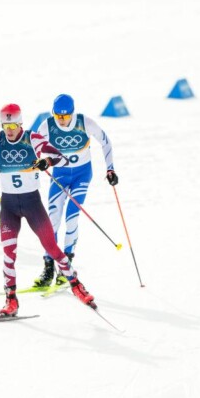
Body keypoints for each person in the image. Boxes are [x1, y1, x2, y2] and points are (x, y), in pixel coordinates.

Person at [0, 104, 97, 317]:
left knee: (52, 248)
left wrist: (46, 161)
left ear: (21, 123)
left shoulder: (32, 139)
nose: (10, 130)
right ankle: (11, 300)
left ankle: (76, 285)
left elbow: (62, 158)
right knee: (8, 254)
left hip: (33, 204)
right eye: (6, 125)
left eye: (13, 124)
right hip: (9, 207)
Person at [32, 94, 117, 287]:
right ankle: (48, 267)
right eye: (58, 116)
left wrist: (110, 169)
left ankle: (66, 264)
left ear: (72, 112)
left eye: (66, 116)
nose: (62, 120)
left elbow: (105, 142)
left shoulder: (84, 122)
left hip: (81, 175)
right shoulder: (46, 126)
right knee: (52, 220)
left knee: (71, 217)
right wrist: (39, 163)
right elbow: (34, 149)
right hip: (60, 174)